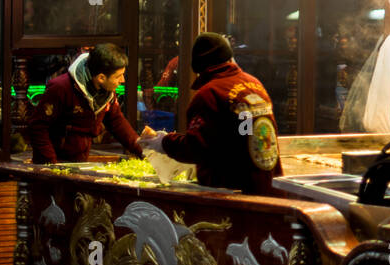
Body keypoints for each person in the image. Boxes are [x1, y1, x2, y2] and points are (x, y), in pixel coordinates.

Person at [138, 32, 282, 194]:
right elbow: (243, 132)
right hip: (264, 183)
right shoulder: (253, 84)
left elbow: (196, 147)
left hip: (230, 190)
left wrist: (163, 143)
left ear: (199, 67)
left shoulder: (210, 93)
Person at [27, 44, 142, 163]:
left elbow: (116, 121)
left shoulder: (107, 92)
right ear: (101, 78)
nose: (122, 80)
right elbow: (38, 126)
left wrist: (144, 151)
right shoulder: (61, 88)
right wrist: (50, 165)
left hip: (80, 161)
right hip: (54, 162)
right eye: (118, 76)